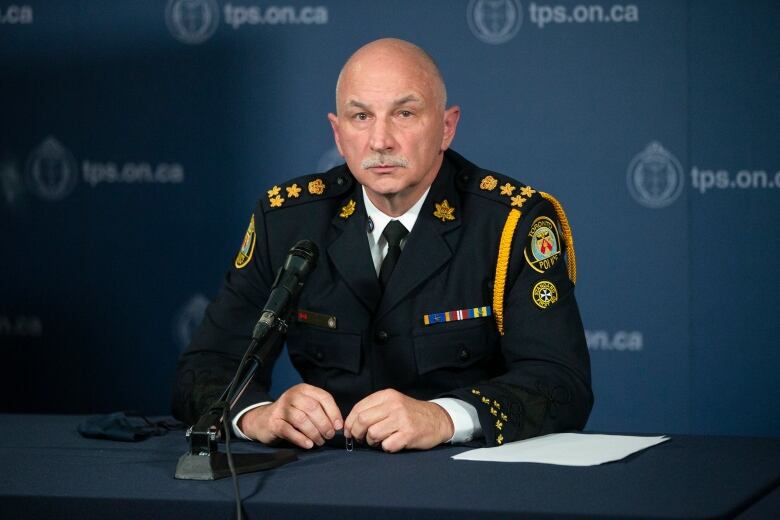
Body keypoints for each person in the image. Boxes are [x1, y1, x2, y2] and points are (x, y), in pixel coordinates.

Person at [172, 38, 592, 453]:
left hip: (464, 476)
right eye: (361, 117)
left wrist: (446, 417)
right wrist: (258, 414)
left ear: (447, 127)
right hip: (321, 481)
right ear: (338, 134)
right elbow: (204, 368)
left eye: (404, 114)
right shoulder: (287, 220)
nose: (380, 140)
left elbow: (561, 383)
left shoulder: (511, 223)